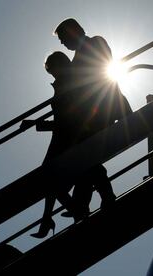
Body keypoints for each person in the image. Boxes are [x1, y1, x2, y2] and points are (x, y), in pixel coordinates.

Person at [54, 18, 132, 218]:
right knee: (86, 157)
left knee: (85, 155)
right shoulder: (80, 56)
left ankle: (92, 200)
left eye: (63, 38)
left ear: (74, 32)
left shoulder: (95, 43)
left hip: (104, 108)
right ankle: (86, 201)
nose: (63, 43)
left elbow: (101, 75)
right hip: (95, 112)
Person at [21, 51, 78, 238]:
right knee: (49, 181)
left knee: (52, 183)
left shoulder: (69, 85)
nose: (52, 75)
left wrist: (36, 123)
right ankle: (47, 218)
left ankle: (66, 214)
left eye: (52, 70)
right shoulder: (65, 84)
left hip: (67, 139)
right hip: (61, 139)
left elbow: (70, 120)